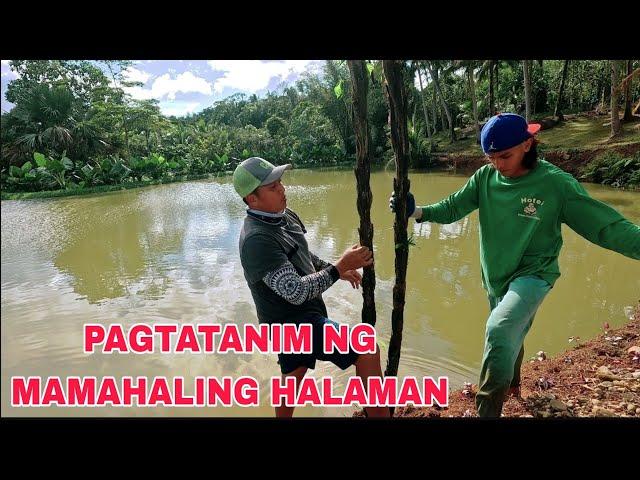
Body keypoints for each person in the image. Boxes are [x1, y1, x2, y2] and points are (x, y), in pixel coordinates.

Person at [390, 113, 640, 417]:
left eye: (504, 156)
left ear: (527, 144)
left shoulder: (555, 184)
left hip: (535, 274)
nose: (498, 164)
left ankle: (488, 409)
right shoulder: (485, 178)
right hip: (495, 275)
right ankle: (512, 384)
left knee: (499, 327)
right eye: (491, 157)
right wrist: (416, 211)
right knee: (511, 330)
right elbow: (453, 207)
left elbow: (604, 226)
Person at [234, 156, 390, 417]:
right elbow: (295, 292)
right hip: (290, 325)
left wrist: (335, 268)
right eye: (272, 187)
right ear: (252, 199)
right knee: (366, 350)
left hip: (301, 316)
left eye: (280, 182)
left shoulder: (284, 216)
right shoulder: (256, 239)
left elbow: (303, 255)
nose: (282, 189)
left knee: (294, 374)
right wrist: (338, 267)